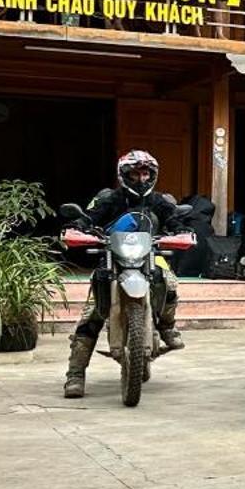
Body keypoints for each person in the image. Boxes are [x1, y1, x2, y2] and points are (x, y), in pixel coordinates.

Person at [62, 150, 189, 398]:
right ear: (124, 175)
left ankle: (167, 326)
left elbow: (175, 221)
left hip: (150, 257)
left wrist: (183, 231)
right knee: (90, 316)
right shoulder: (109, 198)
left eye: (145, 173)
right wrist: (76, 227)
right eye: (134, 173)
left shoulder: (159, 201)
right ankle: (75, 375)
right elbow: (89, 218)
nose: (140, 178)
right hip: (112, 259)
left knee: (170, 285)